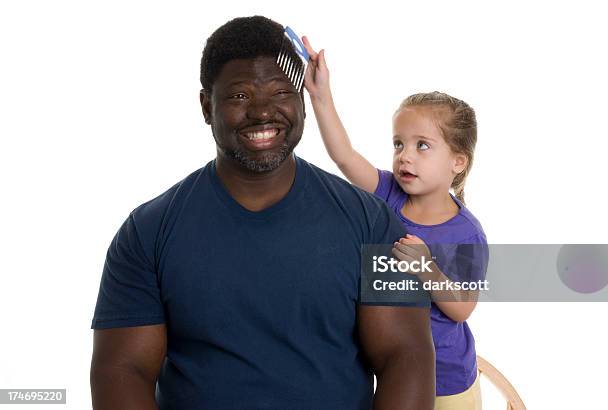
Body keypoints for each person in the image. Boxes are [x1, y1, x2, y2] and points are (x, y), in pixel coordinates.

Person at [89, 16, 435, 410]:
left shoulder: (373, 223)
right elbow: (122, 371)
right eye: (239, 96)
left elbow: (406, 356)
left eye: (280, 92)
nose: (263, 112)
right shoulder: (146, 232)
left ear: (302, 100)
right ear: (207, 106)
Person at [302, 36, 489, 410]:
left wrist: (426, 267)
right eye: (399, 143)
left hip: (446, 382)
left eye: (422, 145)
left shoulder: (466, 232)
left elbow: (463, 308)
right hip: (396, 370)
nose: (405, 156)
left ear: (458, 161)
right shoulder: (387, 192)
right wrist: (321, 96)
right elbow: (344, 156)